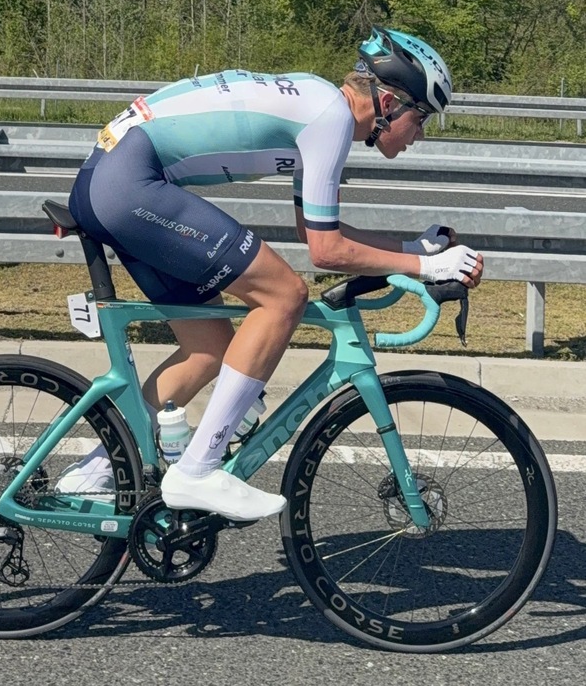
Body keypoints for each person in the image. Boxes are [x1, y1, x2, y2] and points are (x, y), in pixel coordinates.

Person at [57, 26, 484, 522]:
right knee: (284, 296)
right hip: (128, 186)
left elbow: (315, 230)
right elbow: (326, 252)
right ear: (389, 103)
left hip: (112, 180)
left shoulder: (321, 106)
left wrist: (412, 249)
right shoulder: (329, 119)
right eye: (422, 117)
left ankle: (93, 471)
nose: (421, 134)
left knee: (209, 347)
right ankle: (198, 470)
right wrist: (427, 266)